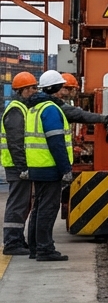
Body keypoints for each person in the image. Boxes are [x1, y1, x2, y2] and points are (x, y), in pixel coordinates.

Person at [25, 70, 73, 261]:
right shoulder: (50, 109)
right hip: (49, 167)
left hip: (37, 166)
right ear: (54, 88)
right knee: (47, 208)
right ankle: (45, 249)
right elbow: (56, 143)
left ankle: (35, 247)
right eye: (61, 87)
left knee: (38, 207)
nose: (63, 91)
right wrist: (65, 169)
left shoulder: (34, 108)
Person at [2, 71, 39, 256]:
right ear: (24, 90)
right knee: (17, 204)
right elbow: (16, 142)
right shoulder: (16, 110)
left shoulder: (20, 108)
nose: (35, 91)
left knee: (22, 204)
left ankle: (17, 239)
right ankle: (12, 242)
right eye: (32, 88)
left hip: (17, 165)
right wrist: (23, 167)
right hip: (16, 166)